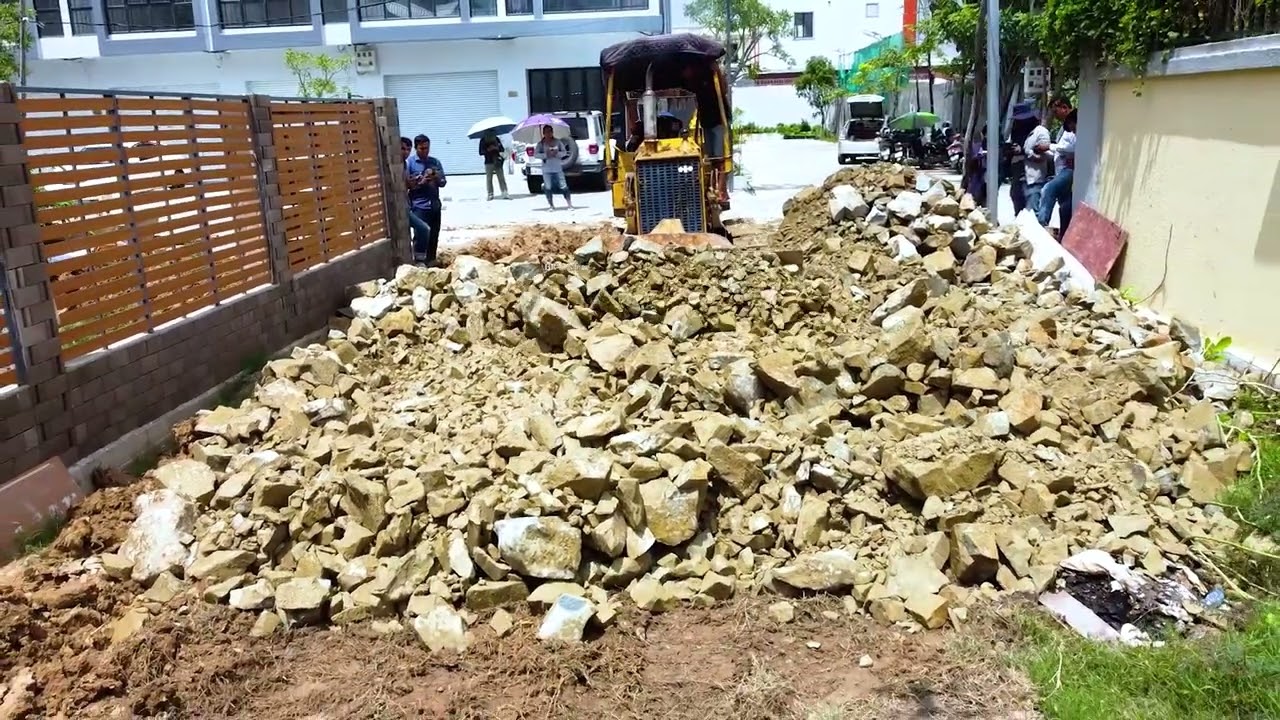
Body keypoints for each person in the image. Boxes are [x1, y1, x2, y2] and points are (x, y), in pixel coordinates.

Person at [405, 134, 446, 265]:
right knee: (421, 234)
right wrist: (421, 182)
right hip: (419, 205)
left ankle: (431, 260)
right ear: (416, 148)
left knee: (434, 234)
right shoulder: (409, 163)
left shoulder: (435, 162)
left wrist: (436, 177)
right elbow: (406, 185)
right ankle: (419, 261)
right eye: (422, 148)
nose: (425, 151)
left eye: (427, 148)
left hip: (434, 205)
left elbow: (443, 182)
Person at [1038, 108, 1077, 236]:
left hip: (1068, 169)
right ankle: (1064, 236)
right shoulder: (1064, 130)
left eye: (1055, 111)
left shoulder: (1078, 132)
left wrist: (1049, 146)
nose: (1054, 115)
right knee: (1065, 206)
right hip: (1061, 170)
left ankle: (1041, 225)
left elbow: (1072, 148)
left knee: (1048, 189)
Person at [1016, 103, 1052, 217]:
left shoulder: (1041, 132)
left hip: (1036, 180)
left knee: (1033, 216)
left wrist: (1027, 152)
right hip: (1024, 180)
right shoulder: (1025, 133)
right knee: (1022, 216)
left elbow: (1047, 156)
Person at [400, 136, 432, 263]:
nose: (406, 152)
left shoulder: (405, 164)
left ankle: (420, 259)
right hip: (408, 206)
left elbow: (408, 186)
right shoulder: (399, 164)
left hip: (406, 205)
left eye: (408, 149)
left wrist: (417, 181)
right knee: (423, 229)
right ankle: (419, 260)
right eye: (403, 149)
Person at [534, 124, 573, 210]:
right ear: (543, 133)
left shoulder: (557, 142)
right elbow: (536, 154)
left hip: (557, 168)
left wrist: (557, 153)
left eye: (550, 132)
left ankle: (569, 204)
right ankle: (551, 205)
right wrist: (545, 155)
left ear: (552, 132)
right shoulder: (541, 144)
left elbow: (564, 152)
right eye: (546, 132)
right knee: (548, 187)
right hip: (546, 169)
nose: (548, 134)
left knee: (564, 186)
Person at [478, 130, 509, 201]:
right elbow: (480, 152)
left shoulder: (496, 139)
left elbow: (502, 149)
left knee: (501, 177)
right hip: (488, 161)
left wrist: (496, 148)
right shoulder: (483, 140)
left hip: (497, 161)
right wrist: (488, 149)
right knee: (489, 179)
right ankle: (490, 193)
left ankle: (504, 192)